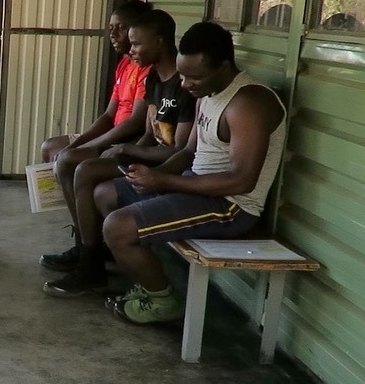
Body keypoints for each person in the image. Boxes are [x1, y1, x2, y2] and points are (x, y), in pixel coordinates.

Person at [90, 22, 286, 323]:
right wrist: (151, 177)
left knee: (117, 227)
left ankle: (162, 300)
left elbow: (243, 180)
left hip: (230, 206)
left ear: (224, 66)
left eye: (195, 76)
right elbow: (187, 152)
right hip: (195, 186)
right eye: (182, 75)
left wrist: (166, 181)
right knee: (106, 192)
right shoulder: (207, 93)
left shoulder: (248, 103)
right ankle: (146, 280)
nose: (185, 84)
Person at [43, 9, 196, 296]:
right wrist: (126, 152)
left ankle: (91, 264)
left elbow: (179, 151)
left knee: (86, 170)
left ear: (161, 42)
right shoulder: (154, 79)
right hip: (148, 155)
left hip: (170, 167)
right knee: (83, 168)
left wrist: (126, 149)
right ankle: (89, 254)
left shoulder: (184, 86)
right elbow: (150, 135)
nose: (131, 48)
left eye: (137, 43)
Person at [38, 0, 153, 271]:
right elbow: (108, 115)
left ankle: (88, 250)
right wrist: (79, 143)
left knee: (68, 162)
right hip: (113, 134)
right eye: (111, 28)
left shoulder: (146, 69)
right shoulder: (125, 65)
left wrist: (85, 149)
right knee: (52, 148)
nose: (112, 35)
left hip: (127, 141)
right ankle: (83, 237)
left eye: (120, 29)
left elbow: (135, 123)